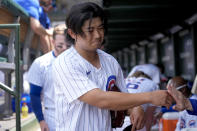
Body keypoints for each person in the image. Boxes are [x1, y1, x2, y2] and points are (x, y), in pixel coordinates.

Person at [52, 2, 173, 131]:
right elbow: (100, 99)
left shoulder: (110, 61)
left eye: (100, 28)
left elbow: (123, 97)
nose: (98, 35)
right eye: (90, 30)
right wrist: (149, 97)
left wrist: (135, 107)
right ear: (72, 33)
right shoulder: (65, 63)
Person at [28, 24, 70, 131]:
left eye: (68, 45)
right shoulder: (40, 63)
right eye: (60, 45)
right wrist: (41, 121)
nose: (65, 48)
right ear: (53, 42)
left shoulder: (78, 62)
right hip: (52, 115)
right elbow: (34, 94)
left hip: (75, 114)